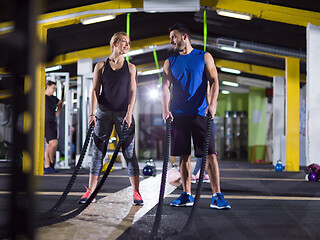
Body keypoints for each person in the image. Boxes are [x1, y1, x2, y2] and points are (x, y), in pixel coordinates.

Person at [161, 23, 230, 209]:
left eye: (174, 37)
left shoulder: (204, 56)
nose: (171, 41)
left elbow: (215, 81)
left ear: (184, 36)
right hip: (178, 115)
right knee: (184, 156)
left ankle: (217, 195)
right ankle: (186, 194)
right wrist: (165, 109)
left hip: (201, 113)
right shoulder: (170, 62)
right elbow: (165, 88)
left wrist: (213, 104)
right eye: (170, 38)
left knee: (210, 156)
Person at [78, 32, 143, 205]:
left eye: (129, 42)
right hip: (104, 112)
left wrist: (129, 114)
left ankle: (136, 192)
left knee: (129, 154)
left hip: (124, 114)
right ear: (114, 43)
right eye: (124, 41)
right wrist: (92, 113)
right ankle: (90, 192)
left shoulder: (130, 67)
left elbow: (133, 92)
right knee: (98, 153)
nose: (127, 45)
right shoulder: (100, 65)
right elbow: (94, 90)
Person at [44, 81, 62, 174]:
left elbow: (60, 103)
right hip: (45, 122)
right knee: (54, 143)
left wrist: (57, 113)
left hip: (52, 122)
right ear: (47, 86)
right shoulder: (42, 97)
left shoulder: (53, 98)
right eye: (53, 88)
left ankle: (47, 166)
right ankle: (51, 162)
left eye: (55, 88)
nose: (54, 90)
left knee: (49, 145)